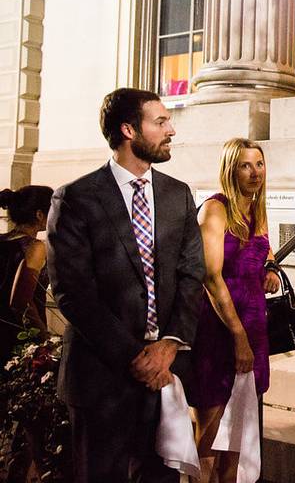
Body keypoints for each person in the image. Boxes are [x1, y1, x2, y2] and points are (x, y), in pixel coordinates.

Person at [47, 88, 206, 483]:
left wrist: (169, 345)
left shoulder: (178, 195)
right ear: (129, 130)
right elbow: (73, 291)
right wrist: (135, 357)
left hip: (166, 375)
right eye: (161, 122)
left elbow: (191, 275)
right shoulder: (76, 199)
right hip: (102, 379)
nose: (171, 130)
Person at [190, 138, 280, 482]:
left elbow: (263, 250)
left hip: (254, 325)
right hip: (220, 329)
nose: (254, 172)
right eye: (245, 165)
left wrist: (270, 268)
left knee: (238, 437)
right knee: (209, 439)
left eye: (259, 164)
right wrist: (238, 336)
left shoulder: (256, 209)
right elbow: (210, 276)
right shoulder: (216, 209)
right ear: (231, 169)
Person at [0, 185, 54, 364]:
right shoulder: (35, 247)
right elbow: (20, 302)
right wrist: (44, 340)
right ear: (39, 215)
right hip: (18, 337)